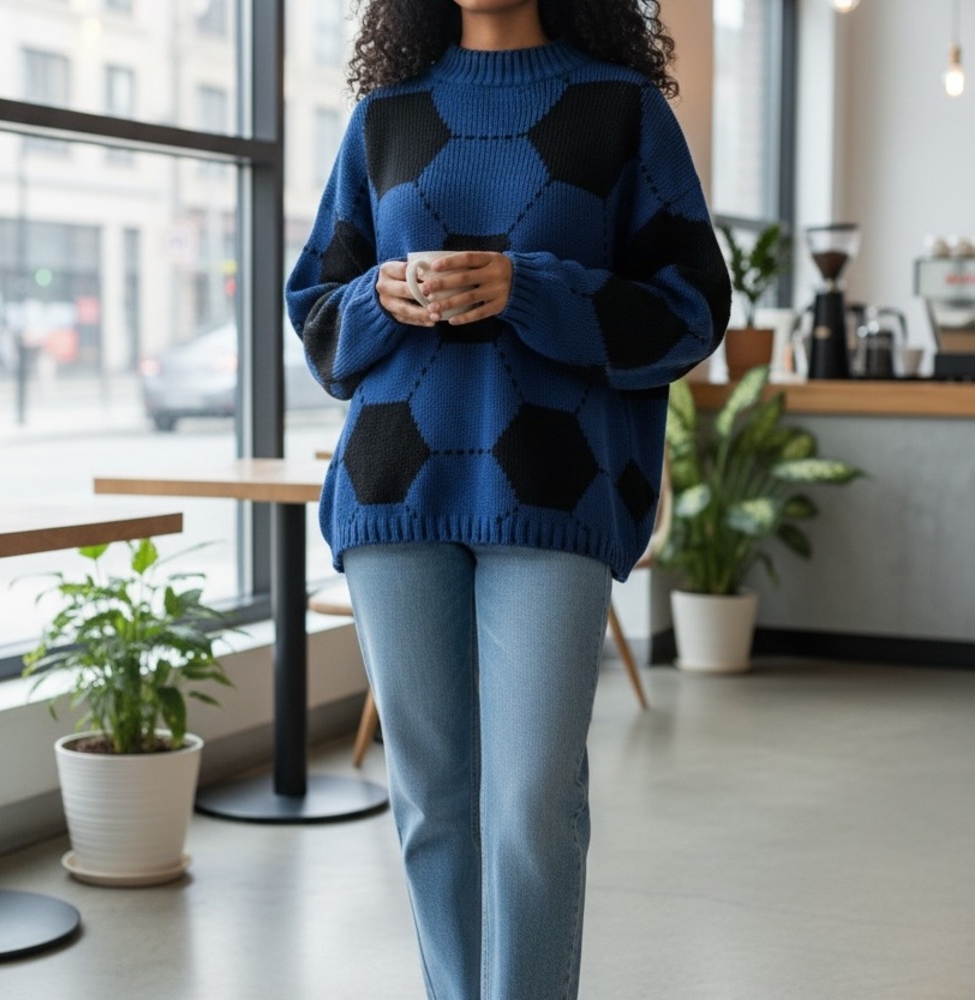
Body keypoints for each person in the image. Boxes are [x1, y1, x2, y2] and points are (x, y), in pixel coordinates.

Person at [286, 1, 730, 996]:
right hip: (395, 487)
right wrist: (380, 296)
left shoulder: (621, 110)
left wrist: (530, 289)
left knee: (532, 798)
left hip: (554, 487)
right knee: (431, 800)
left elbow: (691, 310)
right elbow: (316, 310)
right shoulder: (384, 116)